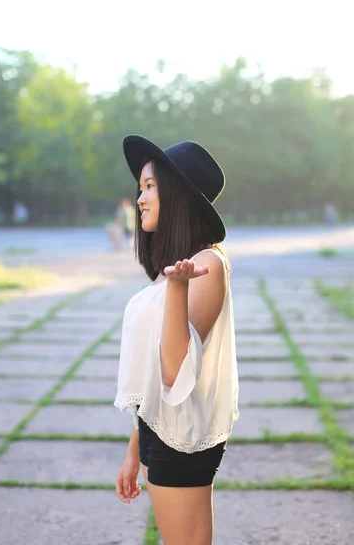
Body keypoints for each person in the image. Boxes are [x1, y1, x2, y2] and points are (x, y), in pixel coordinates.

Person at [114, 135, 239, 545]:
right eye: (141, 188)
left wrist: (177, 289)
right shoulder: (175, 270)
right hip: (157, 433)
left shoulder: (206, 266)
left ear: (178, 195)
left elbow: (173, 371)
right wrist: (135, 451)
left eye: (150, 187)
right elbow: (151, 380)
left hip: (181, 442)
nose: (140, 199)